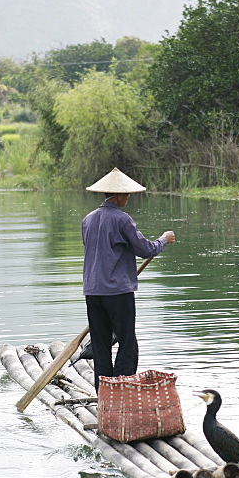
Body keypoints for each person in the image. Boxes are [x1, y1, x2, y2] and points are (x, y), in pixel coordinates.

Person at [82, 167, 176, 391]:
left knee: (101, 344)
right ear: (118, 196)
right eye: (127, 195)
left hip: (93, 292)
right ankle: (122, 390)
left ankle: (104, 393)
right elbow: (145, 249)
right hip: (117, 292)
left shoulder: (87, 220)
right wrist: (164, 240)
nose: (128, 198)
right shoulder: (122, 220)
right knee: (127, 344)